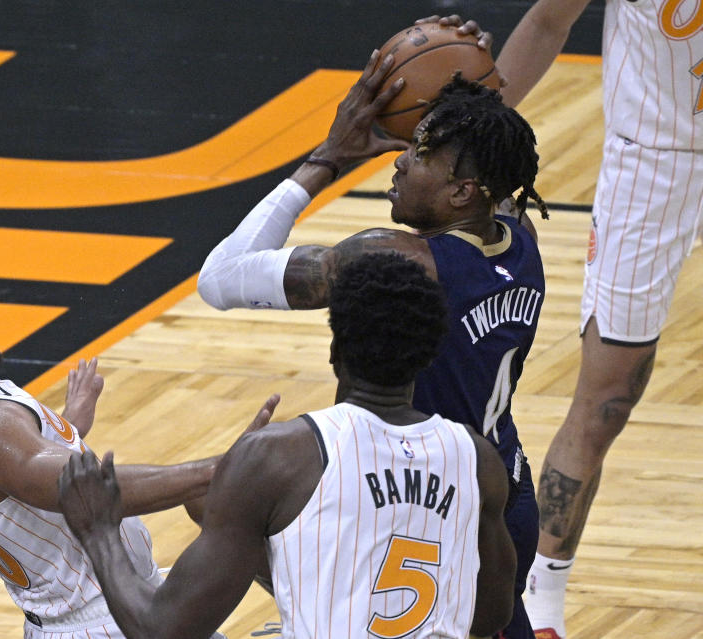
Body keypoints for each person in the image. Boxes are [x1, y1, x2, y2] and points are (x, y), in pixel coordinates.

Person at [197, 48, 547, 639]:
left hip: (418, 504)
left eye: (422, 153)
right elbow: (491, 143)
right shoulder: (517, 232)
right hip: (502, 490)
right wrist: (465, 80)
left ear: (462, 192)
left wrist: (328, 158)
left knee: (214, 504)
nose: (402, 161)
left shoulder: (398, 260)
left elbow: (220, 277)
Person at [0, 232, 278, 639]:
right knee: (239, 506)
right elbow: (82, 492)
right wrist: (220, 470)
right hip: (106, 622)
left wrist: (67, 425)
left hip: (78, 617)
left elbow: (7, 483)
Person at [59, 251, 517, 639]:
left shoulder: (280, 458)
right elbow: (492, 613)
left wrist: (99, 530)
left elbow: (163, 628)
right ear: (429, 354)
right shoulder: (475, 460)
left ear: (336, 350)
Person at [491, 2, 703, 638]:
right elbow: (549, 22)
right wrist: (477, 133)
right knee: (608, 396)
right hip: (656, 161)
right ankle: (542, 595)